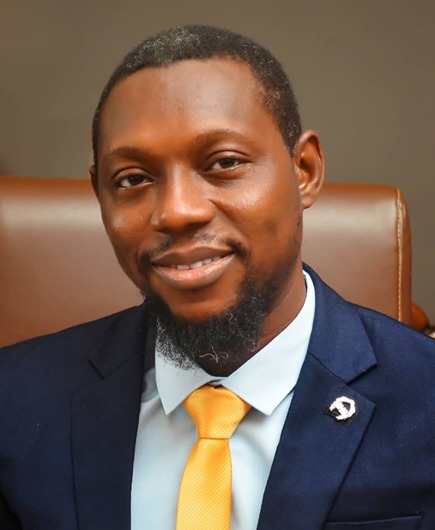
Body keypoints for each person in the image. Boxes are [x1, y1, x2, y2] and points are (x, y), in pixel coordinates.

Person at [1, 24, 434, 530]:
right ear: (100, 195)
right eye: (133, 179)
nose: (177, 211)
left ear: (305, 170)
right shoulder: (14, 402)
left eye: (224, 162)